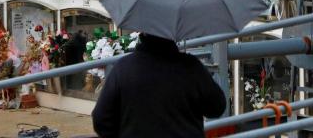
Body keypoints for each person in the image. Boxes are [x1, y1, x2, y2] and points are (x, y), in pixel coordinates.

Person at [92, 33, 226, 138]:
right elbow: (217, 107)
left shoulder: (123, 68)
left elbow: (100, 119)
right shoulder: (191, 67)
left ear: (143, 34)